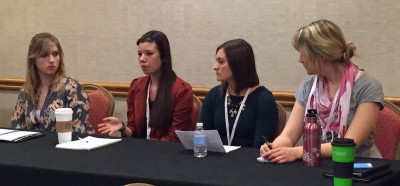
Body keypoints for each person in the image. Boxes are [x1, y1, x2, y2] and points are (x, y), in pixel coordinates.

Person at [260, 19, 384, 163]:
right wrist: (274, 147)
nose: (300, 60)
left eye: (303, 54)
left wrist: (297, 152)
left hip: (358, 166)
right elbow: (288, 136)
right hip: (317, 164)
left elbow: (349, 145)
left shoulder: (368, 87)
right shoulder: (308, 86)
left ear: (322, 54)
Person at [98, 30, 194, 141]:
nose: (142, 59)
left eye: (149, 53)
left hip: (166, 153)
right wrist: (123, 128)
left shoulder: (182, 90)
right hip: (139, 151)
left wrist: (149, 149)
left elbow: (175, 137)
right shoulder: (136, 85)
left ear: (163, 56)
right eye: (139, 54)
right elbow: (133, 131)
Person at [201, 38, 278, 148]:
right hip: (214, 160)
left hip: (249, 162)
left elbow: (260, 147)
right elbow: (203, 137)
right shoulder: (214, 95)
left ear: (238, 64)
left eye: (221, 61)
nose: (215, 66)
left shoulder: (264, 100)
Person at [11, 32, 94, 134]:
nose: (51, 60)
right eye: (44, 55)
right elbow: (16, 126)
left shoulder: (71, 87)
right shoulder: (27, 90)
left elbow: (79, 128)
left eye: (55, 54)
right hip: (32, 146)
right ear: (33, 60)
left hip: (66, 146)